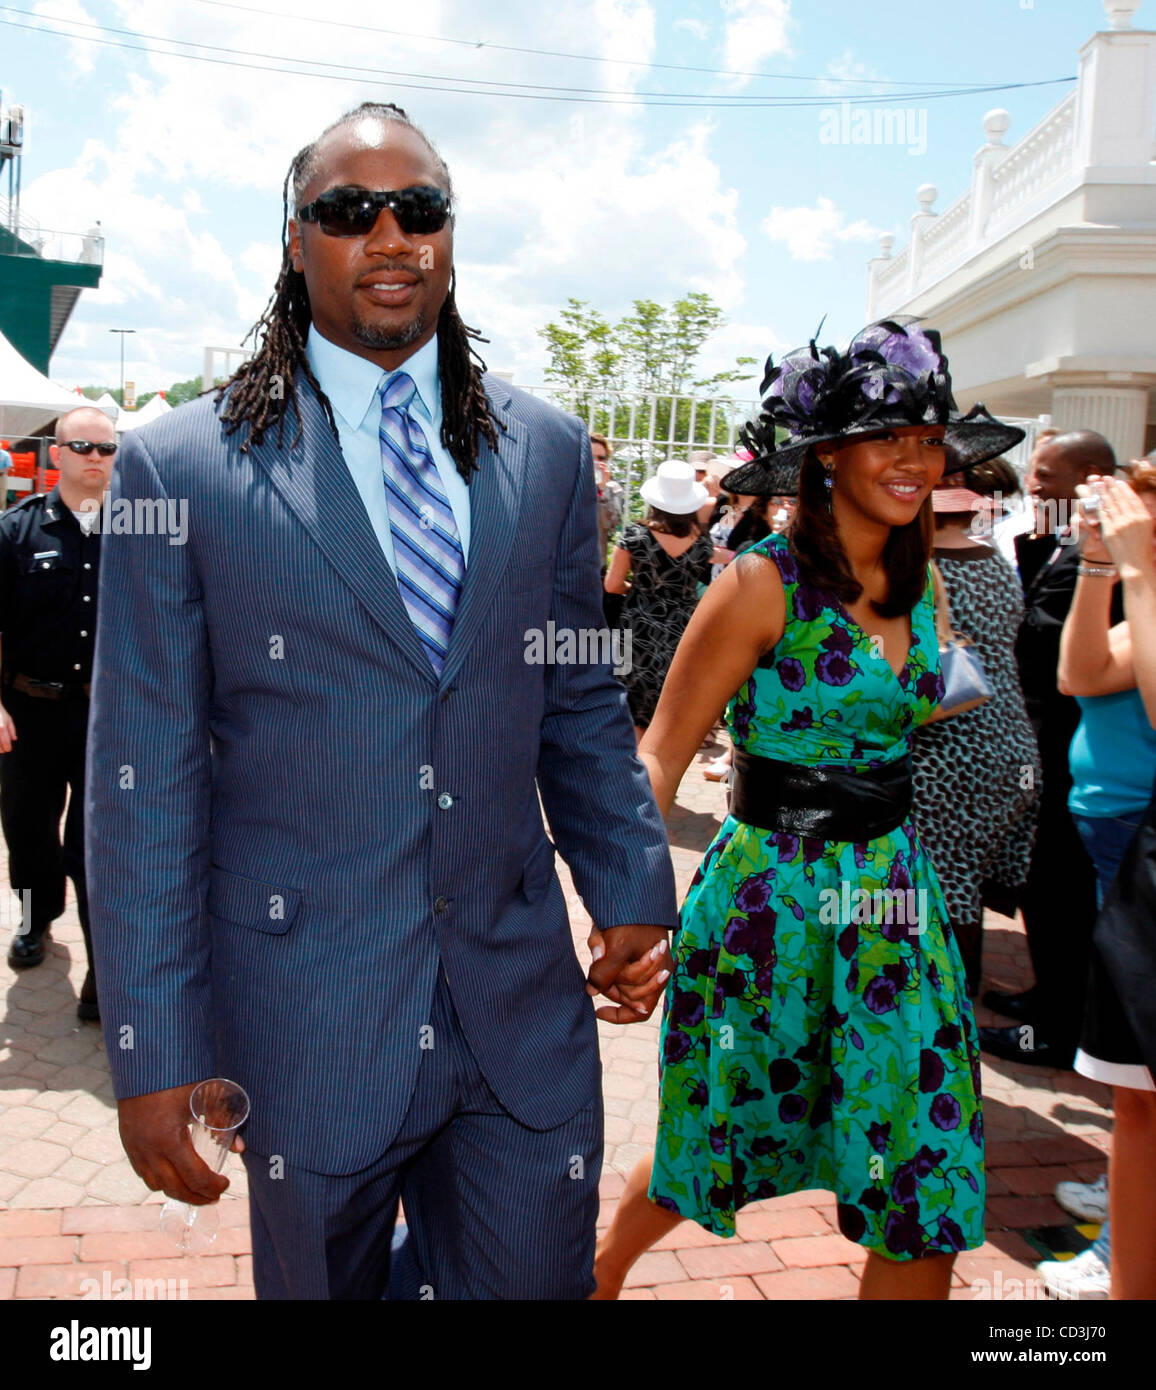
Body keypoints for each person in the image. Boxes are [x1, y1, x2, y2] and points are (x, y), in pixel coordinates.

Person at [86, 101, 678, 1302]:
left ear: (451, 235)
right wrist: (153, 1042)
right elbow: (143, 777)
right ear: (296, 241)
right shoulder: (182, 466)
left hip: (517, 1013)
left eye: (421, 209)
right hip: (307, 1021)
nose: (391, 233)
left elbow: (572, 694)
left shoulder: (548, 450)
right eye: (350, 212)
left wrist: (627, 885)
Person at [592, 320, 1025, 1300]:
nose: (914, 460)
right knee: (717, 1136)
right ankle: (596, 1271)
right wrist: (627, 904)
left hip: (891, 902)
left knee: (925, 1168)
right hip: (770, 905)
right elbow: (658, 751)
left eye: (927, 438)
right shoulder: (757, 584)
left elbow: (948, 696)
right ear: (826, 456)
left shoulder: (929, 590)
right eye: (889, 437)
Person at [1040, 462, 1156, 1300]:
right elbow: (1078, 674)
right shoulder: (1141, 588)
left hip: (1140, 847)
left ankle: (1125, 1244)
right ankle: (1126, 1217)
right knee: (1134, 1088)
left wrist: (1140, 571)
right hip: (1117, 841)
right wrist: (1098, 568)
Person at [981, 430, 1121, 1068]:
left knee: (1057, 886)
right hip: (1044, 738)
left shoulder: (1111, 559)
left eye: (1045, 476)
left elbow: (1041, 639)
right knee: (1042, 883)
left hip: (1068, 743)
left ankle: (1061, 1027)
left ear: (1091, 475)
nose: (1032, 487)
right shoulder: (1059, 542)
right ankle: (1047, 1000)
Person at [0, 406, 116, 1021]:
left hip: (104, 721)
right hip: (28, 712)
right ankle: (35, 916)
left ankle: (104, 966)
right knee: (27, 831)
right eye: (83, 447)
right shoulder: (16, 531)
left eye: (106, 449)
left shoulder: (141, 530)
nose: (96, 459)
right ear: (55, 455)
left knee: (95, 846)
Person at [910, 466, 1040, 995]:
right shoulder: (997, 561)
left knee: (945, 891)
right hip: (1010, 744)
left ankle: (949, 1016)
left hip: (949, 751)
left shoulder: (923, 572)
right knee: (963, 883)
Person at [604, 460, 714, 739]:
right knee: (668, 694)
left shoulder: (634, 535)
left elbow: (612, 585)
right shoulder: (702, 542)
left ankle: (629, 764)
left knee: (631, 694)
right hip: (680, 627)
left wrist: (640, 589)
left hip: (639, 624)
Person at [0, 440, 12, 512]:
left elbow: (9, 466)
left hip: (2, 476)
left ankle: (1, 511)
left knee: (2, 494)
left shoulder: (5, 455)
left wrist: (2, 471)